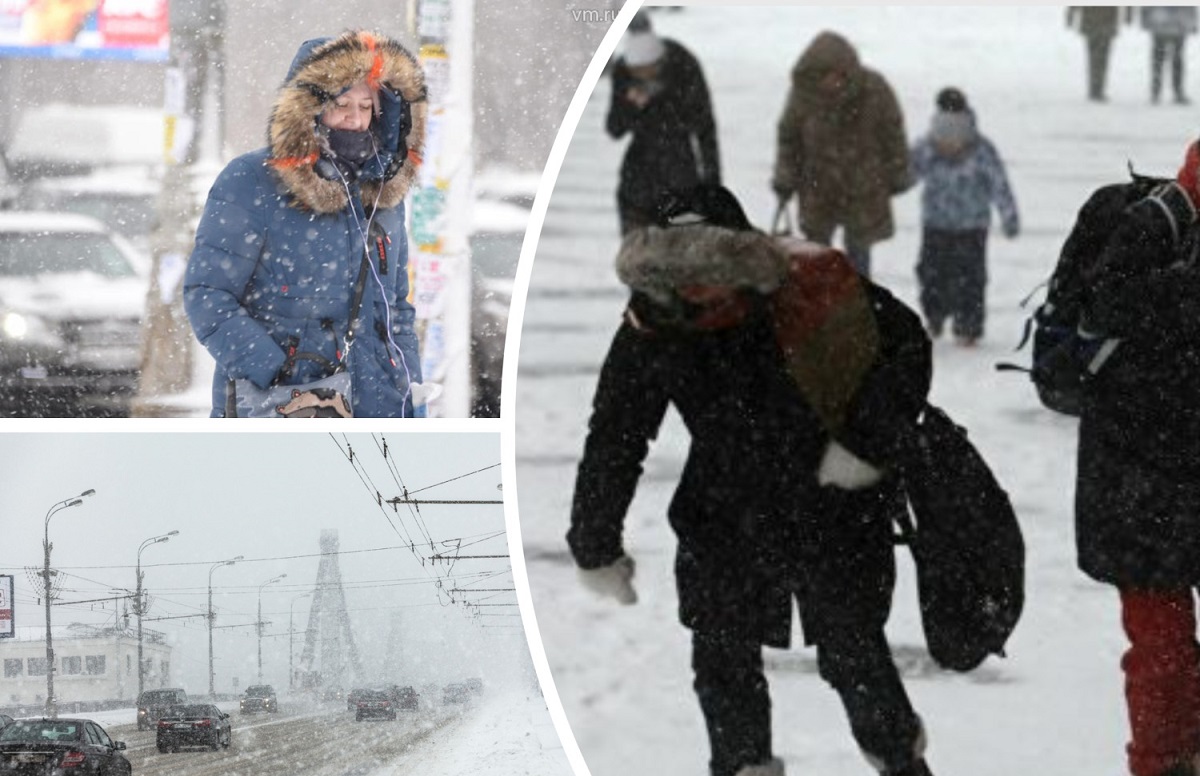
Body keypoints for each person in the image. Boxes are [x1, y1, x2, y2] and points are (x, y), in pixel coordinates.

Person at [567, 184, 937, 776]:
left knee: (794, 662)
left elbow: (615, 434)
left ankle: (883, 763)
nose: (698, 292)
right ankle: (886, 764)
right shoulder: (684, 313)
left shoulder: (774, 295)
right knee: (808, 660)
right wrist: (594, 542)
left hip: (778, 510)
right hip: (782, 512)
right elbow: (616, 435)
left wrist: (861, 445)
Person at [184, 30, 428, 418]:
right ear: (308, 110)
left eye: (366, 106)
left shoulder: (383, 192)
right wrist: (277, 371)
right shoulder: (251, 181)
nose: (354, 118)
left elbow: (395, 308)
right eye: (342, 103)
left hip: (378, 406)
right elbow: (207, 294)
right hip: (286, 408)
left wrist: (409, 390)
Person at [1075, 139, 1200, 776]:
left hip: (1133, 485)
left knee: (1158, 647)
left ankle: (1162, 763)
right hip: (1146, 482)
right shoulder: (1148, 228)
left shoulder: (1140, 226)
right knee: (1160, 648)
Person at [771, 30, 910, 279]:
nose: (829, 82)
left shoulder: (874, 89)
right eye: (822, 75)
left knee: (859, 255)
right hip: (817, 188)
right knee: (816, 256)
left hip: (864, 186)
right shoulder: (803, 96)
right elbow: (789, 139)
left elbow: (893, 133)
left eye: (833, 74)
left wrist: (898, 171)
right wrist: (785, 178)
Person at [909, 87, 1019, 346]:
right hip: (953, 224)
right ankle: (951, 320)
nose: (951, 141)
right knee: (950, 274)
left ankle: (952, 321)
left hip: (955, 224)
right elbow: (998, 183)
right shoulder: (938, 148)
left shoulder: (965, 148)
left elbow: (998, 183)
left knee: (951, 274)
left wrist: (1009, 215)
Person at [606, 10, 720, 234]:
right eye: (638, 73)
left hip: (680, 176)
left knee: (681, 257)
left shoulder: (684, 64)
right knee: (637, 259)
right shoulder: (623, 72)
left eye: (650, 71)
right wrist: (631, 106)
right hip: (637, 182)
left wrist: (712, 185)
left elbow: (706, 129)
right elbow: (614, 129)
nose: (644, 77)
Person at [1067, 7, 1133, 102]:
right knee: (1101, 56)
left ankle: (1096, 88)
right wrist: (1128, 14)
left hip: (1094, 19)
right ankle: (1097, 88)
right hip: (1104, 20)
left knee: (1096, 56)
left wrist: (1071, 13)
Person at [1140, 7, 1198, 104]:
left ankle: (1168, 91)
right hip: (1165, 22)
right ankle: (1161, 91)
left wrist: (1192, 21)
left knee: (1172, 59)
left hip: (1174, 22)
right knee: (1165, 58)